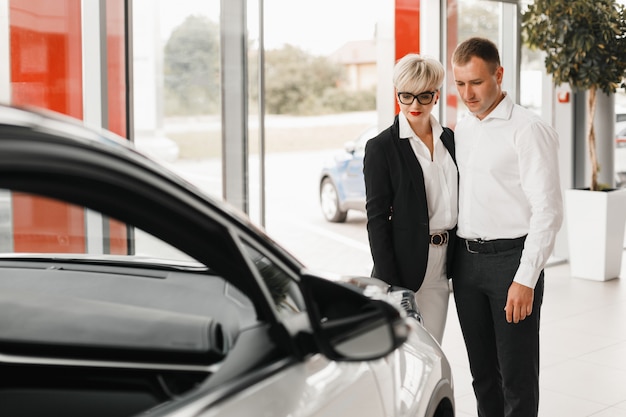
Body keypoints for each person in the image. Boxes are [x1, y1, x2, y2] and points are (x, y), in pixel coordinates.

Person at [450, 37, 563, 417]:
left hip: (511, 263)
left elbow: (548, 210)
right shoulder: (462, 128)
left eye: (476, 82)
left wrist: (526, 278)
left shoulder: (528, 129)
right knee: (483, 376)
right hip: (466, 265)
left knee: (516, 377)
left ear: (498, 74)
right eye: (460, 83)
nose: (468, 93)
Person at [363, 53, 457, 344]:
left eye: (424, 96)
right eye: (406, 96)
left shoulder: (451, 140)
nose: (415, 105)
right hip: (402, 266)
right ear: (397, 94)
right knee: (403, 355)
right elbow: (376, 220)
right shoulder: (381, 148)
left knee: (432, 347)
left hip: (444, 265)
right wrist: (391, 284)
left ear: (436, 96)